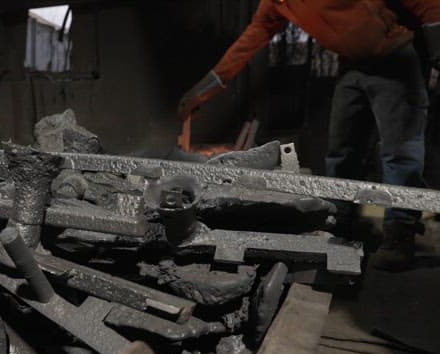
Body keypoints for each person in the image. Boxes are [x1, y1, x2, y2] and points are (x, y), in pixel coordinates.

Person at [178, 0, 440, 271]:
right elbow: (248, 43)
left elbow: (427, 4)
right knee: (342, 153)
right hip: (351, 68)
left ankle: (399, 237)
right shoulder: (277, 3)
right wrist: (201, 91)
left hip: (395, 58)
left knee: (400, 152)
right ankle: (341, 223)